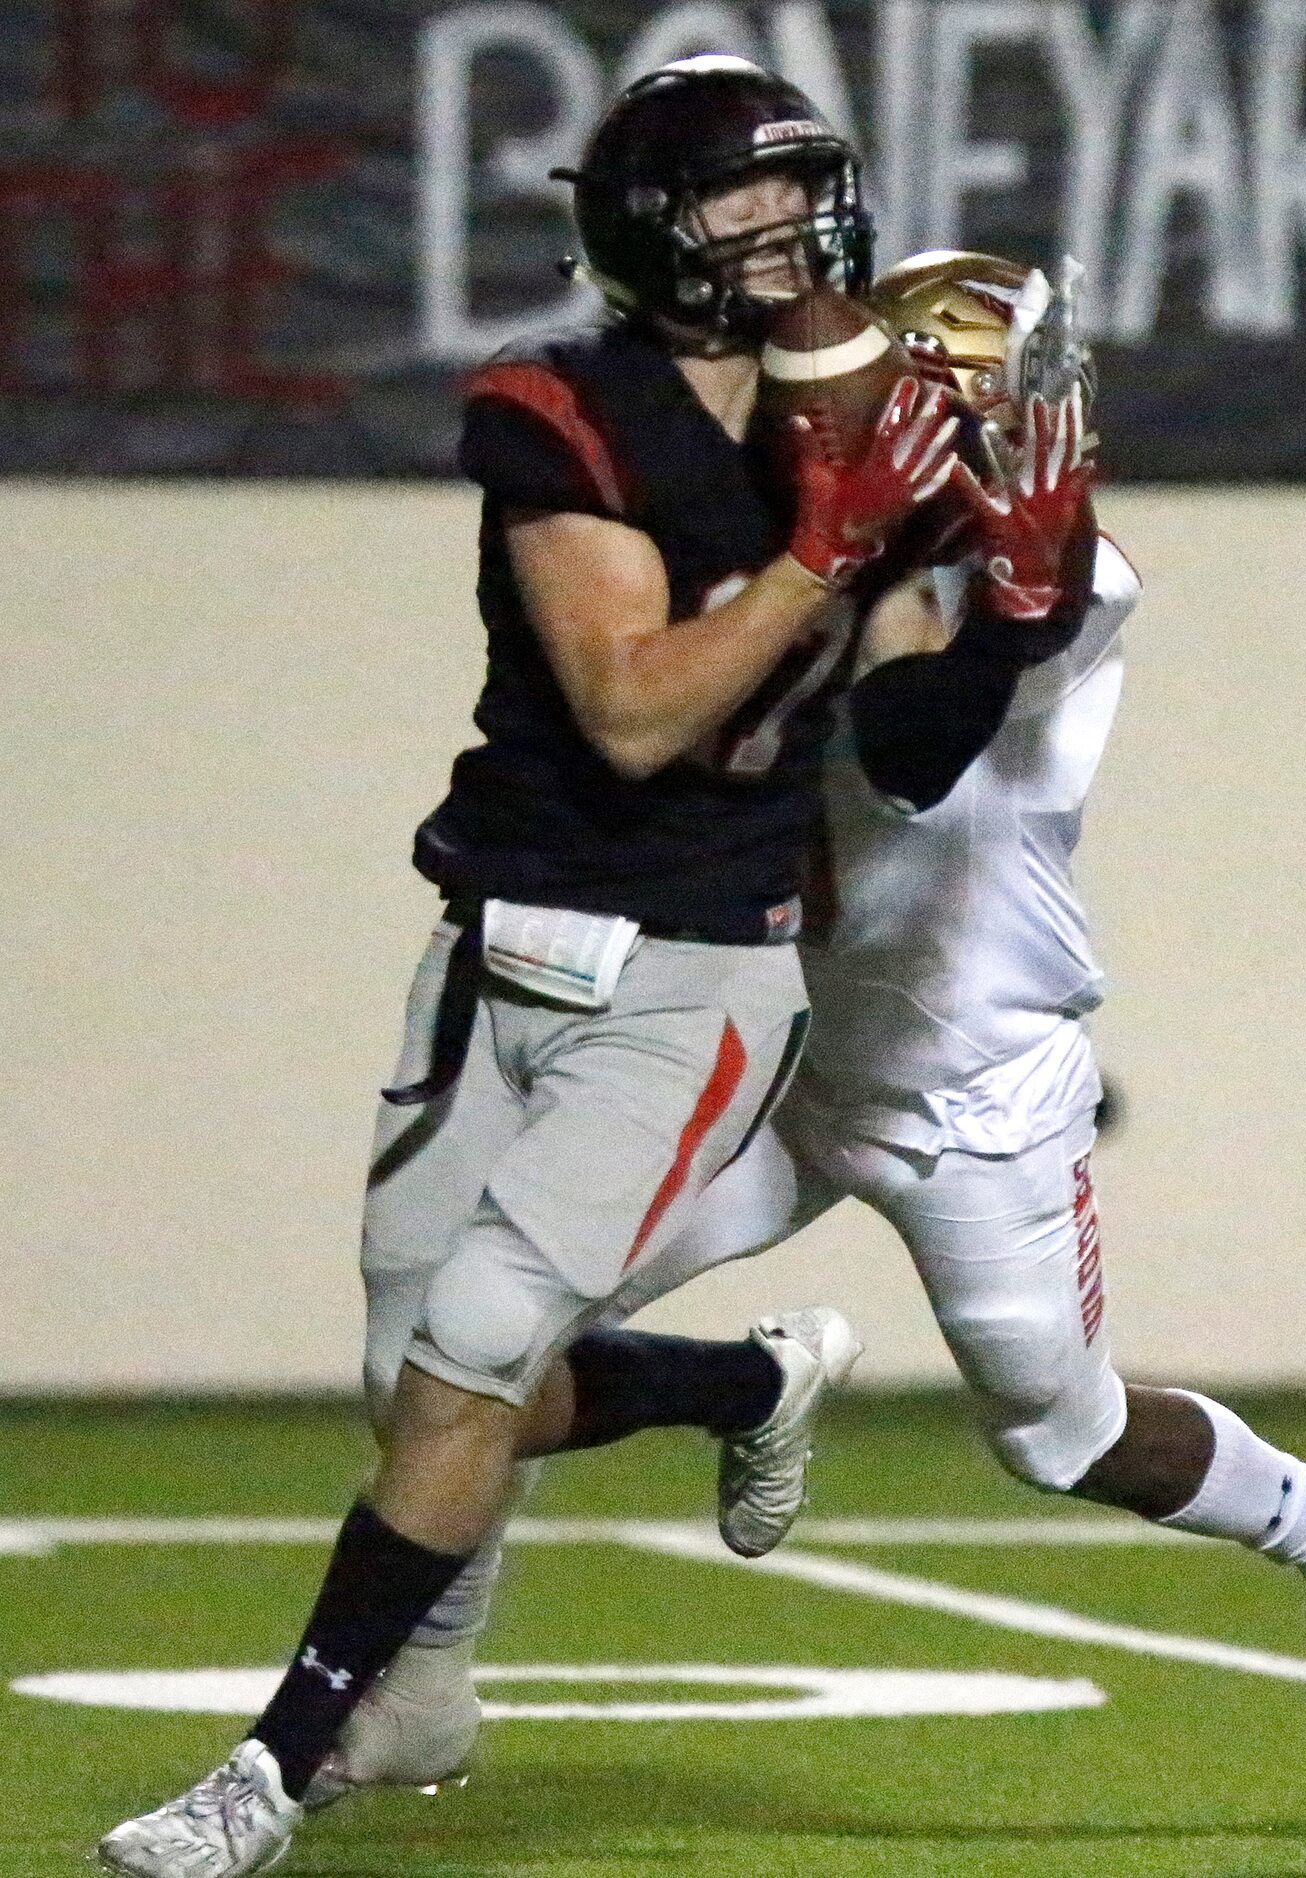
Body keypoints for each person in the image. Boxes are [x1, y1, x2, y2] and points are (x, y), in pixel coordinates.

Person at [304, 253, 1306, 1811]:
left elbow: (913, 743)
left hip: (972, 1076)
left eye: (961, 392)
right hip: (767, 1043)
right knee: (463, 1348)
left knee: (1057, 1427)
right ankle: (439, 1673)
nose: (926, 420)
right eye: (911, 386)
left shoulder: (1072, 572)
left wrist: (1002, 596)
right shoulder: (798, 543)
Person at [96, 57, 963, 1878]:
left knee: (479, 1344)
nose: (792, 228)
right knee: (422, 1357)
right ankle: (735, 1392)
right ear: (651, 235)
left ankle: (277, 1758)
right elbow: (636, 708)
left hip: (703, 971)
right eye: (746, 199)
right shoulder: (562, 405)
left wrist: (1008, 579)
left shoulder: (885, 421)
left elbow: (917, 738)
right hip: (503, 941)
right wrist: (827, 545)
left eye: (806, 188)